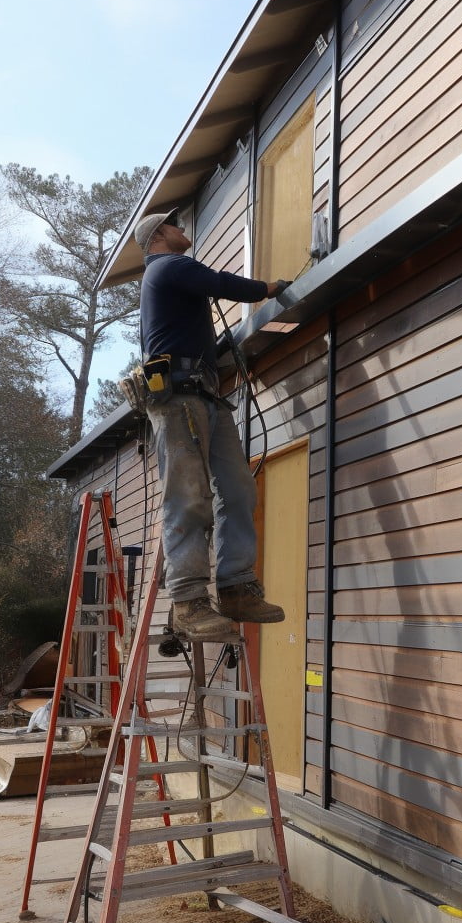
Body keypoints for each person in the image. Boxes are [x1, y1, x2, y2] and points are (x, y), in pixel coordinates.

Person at [134, 207, 288, 638]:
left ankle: (237, 587)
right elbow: (220, 283)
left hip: (204, 394)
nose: (183, 231)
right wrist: (270, 288)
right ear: (160, 235)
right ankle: (188, 601)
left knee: (237, 487)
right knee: (189, 495)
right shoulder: (167, 266)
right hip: (179, 396)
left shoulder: (171, 279)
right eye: (176, 226)